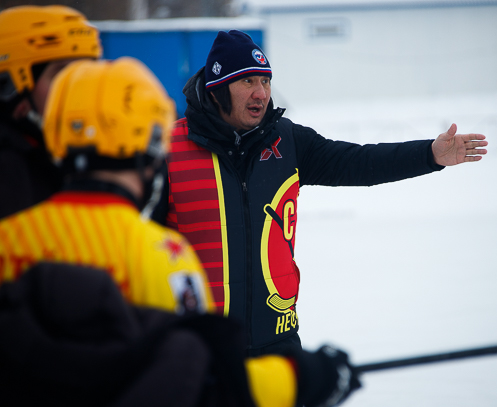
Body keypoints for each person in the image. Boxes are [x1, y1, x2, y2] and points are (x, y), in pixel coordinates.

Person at [0, 57, 361, 407]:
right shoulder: (165, 258)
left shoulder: (8, 239)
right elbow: (206, 382)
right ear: (153, 144)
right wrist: (302, 377)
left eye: (264, 81)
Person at [164, 30, 489, 356]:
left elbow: (359, 162)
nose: (261, 93)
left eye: (265, 81)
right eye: (248, 81)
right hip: (199, 349)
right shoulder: (169, 150)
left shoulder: (287, 142)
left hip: (277, 343)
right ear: (218, 88)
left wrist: (429, 155)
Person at [0, 5, 102, 219]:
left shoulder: (72, 157)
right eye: (61, 75)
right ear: (11, 86)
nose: (79, 88)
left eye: (86, 74)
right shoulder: (10, 170)